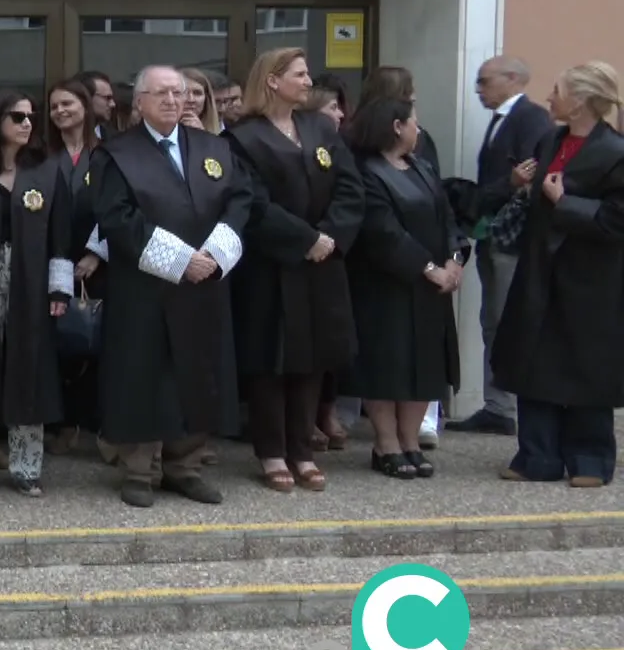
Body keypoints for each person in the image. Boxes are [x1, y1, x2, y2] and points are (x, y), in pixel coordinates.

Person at [89, 66, 252, 508]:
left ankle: (185, 466)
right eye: (160, 93)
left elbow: (241, 199)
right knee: (144, 376)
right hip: (144, 288)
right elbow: (116, 216)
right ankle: (140, 470)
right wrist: (181, 261)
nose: (172, 100)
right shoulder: (116, 154)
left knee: (197, 374)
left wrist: (214, 254)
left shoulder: (213, 147)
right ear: (139, 101)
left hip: (204, 286)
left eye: (178, 93)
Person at [225, 48, 362, 493]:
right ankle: (271, 452)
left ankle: (302, 451)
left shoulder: (320, 128)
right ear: (272, 80)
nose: (308, 82)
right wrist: (304, 240)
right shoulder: (242, 138)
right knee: (270, 359)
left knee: (312, 358)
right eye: (300, 74)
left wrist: (330, 237)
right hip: (271, 266)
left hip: (322, 266)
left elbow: (350, 188)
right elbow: (253, 202)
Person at [492, 62, 624, 488]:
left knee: (586, 368)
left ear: (581, 101)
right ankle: (537, 456)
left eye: (558, 90)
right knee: (533, 362)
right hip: (539, 272)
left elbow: (616, 220)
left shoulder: (616, 152)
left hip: (592, 281)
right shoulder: (551, 140)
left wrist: (564, 202)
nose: (549, 97)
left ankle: (590, 459)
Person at [0, 90, 72, 496]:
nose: (27, 123)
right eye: (17, 116)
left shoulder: (46, 169)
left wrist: (60, 288)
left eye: (30, 117)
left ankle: (26, 465)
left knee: (29, 366)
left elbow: (61, 232)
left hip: (32, 280)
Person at [343, 98, 465, 479]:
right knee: (387, 364)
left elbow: (447, 218)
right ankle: (386, 443)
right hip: (385, 286)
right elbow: (383, 232)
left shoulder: (422, 167)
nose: (419, 129)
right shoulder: (366, 171)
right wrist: (427, 268)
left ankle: (410, 441)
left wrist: (454, 260)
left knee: (425, 366)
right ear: (396, 126)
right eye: (415, 122)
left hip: (431, 289)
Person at [458, 56, 554, 436]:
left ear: (512, 79)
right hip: (494, 234)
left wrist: (494, 192)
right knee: (492, 319)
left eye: (484, 81)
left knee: (503, 319)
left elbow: (526, 180)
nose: (478, 89)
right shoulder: (504, 119)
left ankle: (504, 405)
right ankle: (497, 404)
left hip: (511, 239)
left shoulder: (530, 118)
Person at [45, 80, 103, 452]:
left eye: (67, 103)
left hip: (98, 264)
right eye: (54, 106)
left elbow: (120, 205)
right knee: (59, 344)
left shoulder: (108, 153)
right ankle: (62, 424)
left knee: (94, 342)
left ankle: (95, 424)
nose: (61, 111)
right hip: (52, 260)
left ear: (85, 105)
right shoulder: (41, 155)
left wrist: (97, 253)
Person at [180, 67, 222, 134]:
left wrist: (202, 135)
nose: (191, 99)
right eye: (184, 93)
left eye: (197, 93)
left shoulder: (224, 136)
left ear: (206, 98)